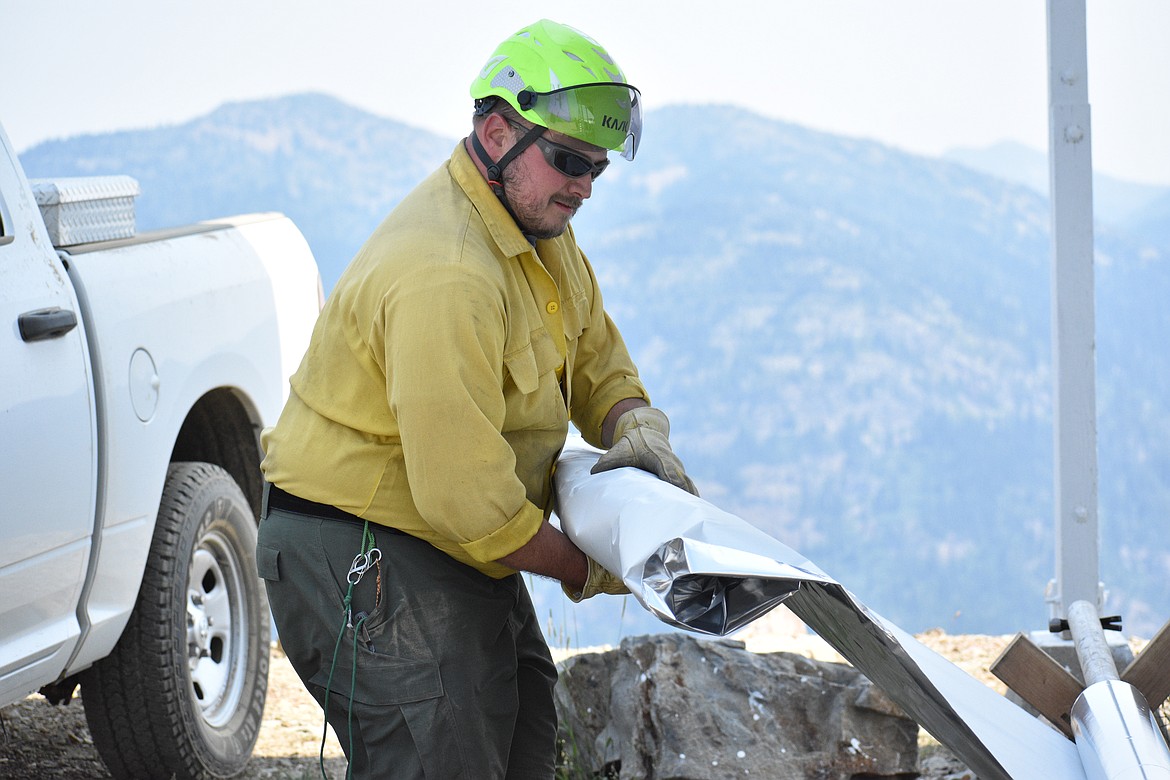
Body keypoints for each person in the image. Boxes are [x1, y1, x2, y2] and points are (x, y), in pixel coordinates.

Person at [256, 18, 697, 779]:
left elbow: (597, 362)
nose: (585, 186)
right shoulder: (448, 273)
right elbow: (466, 502)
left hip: (447, 538)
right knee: (444, 759)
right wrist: (592, 567)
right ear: (497, 133)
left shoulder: (538, 232)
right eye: (568, 160)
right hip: (363, 543)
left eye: (596, 168)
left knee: (524, 731)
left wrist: (639, 429)